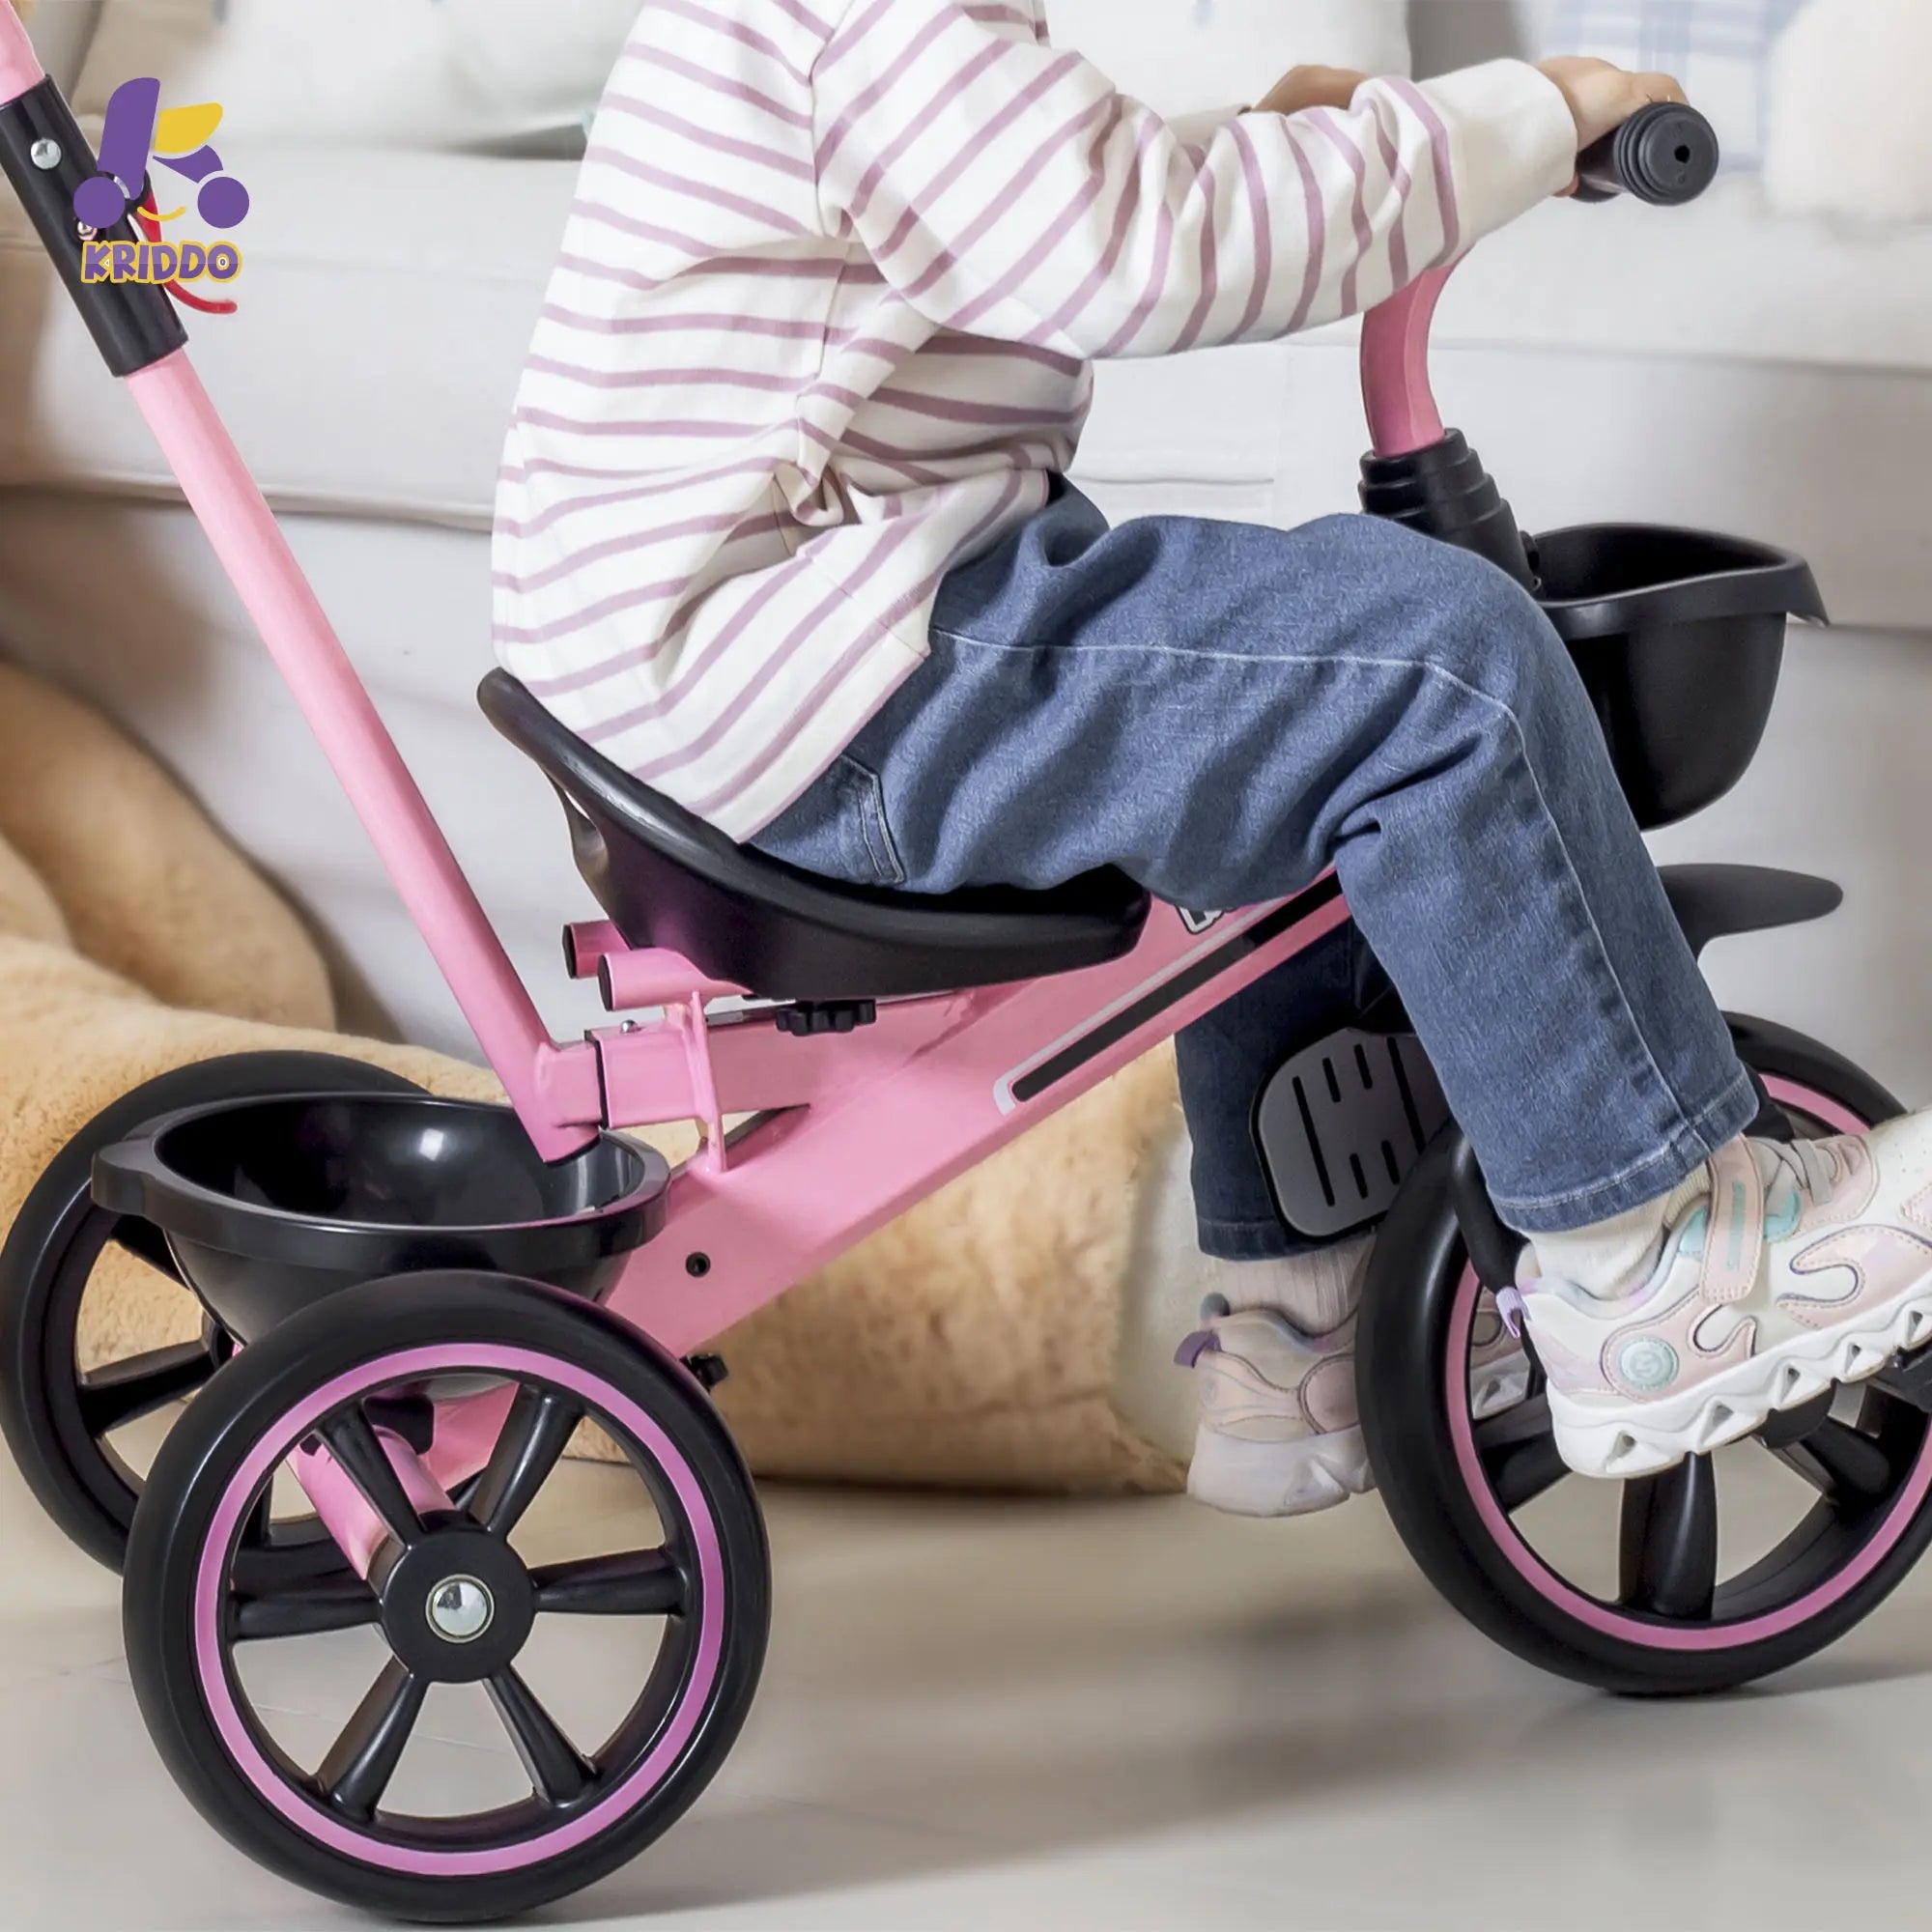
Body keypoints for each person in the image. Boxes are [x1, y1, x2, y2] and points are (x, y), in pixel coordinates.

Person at [495, 0, 1932, 1517]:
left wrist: (1261, 144)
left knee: (1284, 709)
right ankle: (1656, 1261)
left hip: (742, 665)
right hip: (821, 663)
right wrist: (1514, 120)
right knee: (1443, 669)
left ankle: (1304, 1318)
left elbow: (1013, 195)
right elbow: (1135, 251)